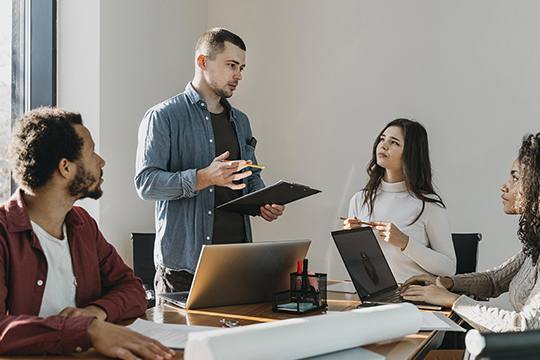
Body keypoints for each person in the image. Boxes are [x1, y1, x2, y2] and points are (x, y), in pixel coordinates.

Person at [0, 107, 174, 359]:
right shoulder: (4, 233)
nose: (101, 161)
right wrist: (86, 330)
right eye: (91, 152)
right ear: (65, 168)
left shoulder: (82, 224)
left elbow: (132, 289)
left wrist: (96, 312)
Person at [135, 28, 284, 294]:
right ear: (203, 62)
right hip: (183, 269)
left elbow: (249, 177)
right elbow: (146, 184)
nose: (238, 75)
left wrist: (263, 201)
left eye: (241, 68)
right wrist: (203, 177)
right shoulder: (163, 116)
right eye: (231, 65)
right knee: (181, 338)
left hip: (236, 262)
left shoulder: (241, 121)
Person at [402, 133, 540, 332]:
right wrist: (447, 283)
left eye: (515, 177)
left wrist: (452, 300)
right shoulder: (534, 245)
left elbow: (523, 326)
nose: (504, 185)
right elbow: (494, 280)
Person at [342, 119, 456, 283]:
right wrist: (349, 240)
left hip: (414, 298)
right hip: (371, 297)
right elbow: (357, 265)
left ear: (411, 153)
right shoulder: (359, 200)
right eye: (382, 139)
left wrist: (404, 242)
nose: (384, 145)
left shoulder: (429, 204)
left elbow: (449, 268)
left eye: (394, 142)